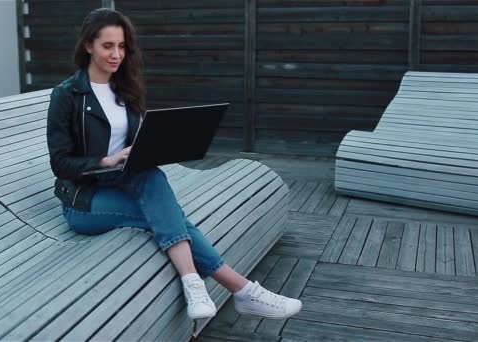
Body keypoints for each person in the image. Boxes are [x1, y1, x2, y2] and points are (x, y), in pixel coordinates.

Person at [46, 8, 302, 320]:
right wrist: (105, 159)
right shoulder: (67, 95)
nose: (116, 54)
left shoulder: (124, 88)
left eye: (122, 46)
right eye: (107, 46)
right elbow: (60, 163)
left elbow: (137, 140)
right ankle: (240, 290)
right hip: (84, 200)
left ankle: (199, 283)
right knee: (167, 214)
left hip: (125, 178)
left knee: (152, 178)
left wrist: (153, 147)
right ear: (88, 45)